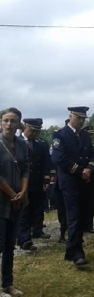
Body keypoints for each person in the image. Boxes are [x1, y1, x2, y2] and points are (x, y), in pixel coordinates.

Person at [51, 106, 94, 267]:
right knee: (74, 216)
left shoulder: (85, 135)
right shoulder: (60, 135)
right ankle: (78, 253)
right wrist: (80, 171)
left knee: (83, 215)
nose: (81, 121)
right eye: (79, 118)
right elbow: (60, 159)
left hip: (85, 181)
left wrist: (90, 169)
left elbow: (92, 154)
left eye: (84, 119)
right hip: (70, 182)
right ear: (71, 116)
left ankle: (70, 250)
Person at [0, 108, 29, 297]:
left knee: (10, 244)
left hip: (17, 201)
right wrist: (12, 193)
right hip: (2, 202)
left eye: (14, 121)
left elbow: (26, 169)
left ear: (19, 124)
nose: (10, 124)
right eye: (6, 120)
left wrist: (23, 191)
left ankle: (7, 284)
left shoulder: (22, 144)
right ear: (1, 123)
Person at [17, 118, 51, 253]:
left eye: (37, 131)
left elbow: (45, 163)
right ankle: (24, 238)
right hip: (22, 182)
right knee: (25, 210)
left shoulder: (41, 144)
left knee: (38, 207)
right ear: (25, 127)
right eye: (32, 131)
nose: (35, 134)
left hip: (37, 181)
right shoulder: (17, 142)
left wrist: (46, 180)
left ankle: (37, 230)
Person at [82, 125, 94, 234]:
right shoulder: (81, 146)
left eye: (91, 134)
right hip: (82, 176)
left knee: (91, 201)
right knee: (81, 202)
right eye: (88, 134)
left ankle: (89, 225)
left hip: (92, 176)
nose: (90, 136)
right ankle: (82, 224)